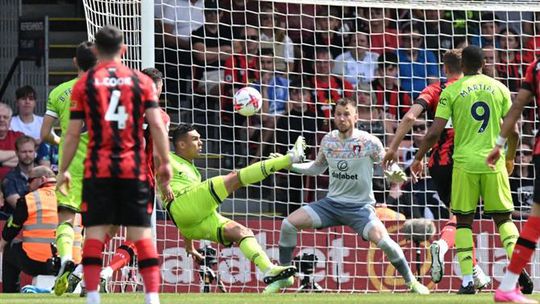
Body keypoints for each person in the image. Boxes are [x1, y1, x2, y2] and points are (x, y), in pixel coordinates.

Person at [56, 25, 172, 304]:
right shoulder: (142, 82)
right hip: (132, 168)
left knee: (95, 233)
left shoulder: (84, 84)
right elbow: (157, 125)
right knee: (142, 235)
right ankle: (152, 298)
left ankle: (93, 297)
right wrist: (165, 164)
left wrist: (63, 170)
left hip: (99, 169)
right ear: (124, 50)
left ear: (96, 51)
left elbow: (72, 133)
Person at [269, 97, 430, 295]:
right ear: (333, 117)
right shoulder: (328, 140)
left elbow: (388, 166)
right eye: (338, 114)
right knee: (288, 224)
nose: (342, 118)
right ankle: (285, 275)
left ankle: (412, 282)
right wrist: (289, 165)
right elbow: (317, 167)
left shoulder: (369, 142)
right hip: (331, 205)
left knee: (386, 242)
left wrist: (395, 174)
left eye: (346, 114)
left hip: (360, 208)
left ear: (355, 117)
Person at [410, 45, 523, 294]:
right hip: (493, 163)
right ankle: (517, 270)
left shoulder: (452, 90)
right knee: (504, 218)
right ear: (484, 63)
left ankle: (468, 281)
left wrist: (418, 158)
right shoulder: (500, 88)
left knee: (463, 221)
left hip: (461, 164)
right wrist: (510, 158)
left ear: (462, 67)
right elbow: (514, 131)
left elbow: (433, 133)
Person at [382, 49, 490, 288]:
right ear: (467, 66)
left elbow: (410, 117)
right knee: (461, 219)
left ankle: (470, 277)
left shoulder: (435, 89)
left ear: (444, 68)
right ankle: (441, 247)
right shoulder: (476, 89)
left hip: (438, 165)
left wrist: (393, 148)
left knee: (461, 218)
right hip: (466, 162)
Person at [162, 124, 306, 291]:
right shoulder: (166, 158)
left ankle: (270, 270)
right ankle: (289, 158)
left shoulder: (195, 172)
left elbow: (187, 215)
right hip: (181, 204)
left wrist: (189, 246)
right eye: (195, 139)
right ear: (181, 144)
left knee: (240, 232)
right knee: (234, 178)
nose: (201, 142)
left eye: (200, 138)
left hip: (189, 223)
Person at [40, 41, 97, 297]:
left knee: (66, 220)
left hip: (69, 165)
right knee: (94, 227)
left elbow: (44, 134)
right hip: (99, 165)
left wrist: (61, 141)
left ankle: (65, 258)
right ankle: (86, 281)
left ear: (75, 62)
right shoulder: (107, 92)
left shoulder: (60, 92)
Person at [489, 51, 540, 303]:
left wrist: (499, 143)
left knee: (535, 221)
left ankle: (508, 286)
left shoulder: (536, 65)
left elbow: (517, 106)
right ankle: (507, 286)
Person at [0, 166, 58, 292]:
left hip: (38, 263)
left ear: (42, 179)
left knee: (9, 248)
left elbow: (11, 228)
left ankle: (11, 295)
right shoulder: (71, 197)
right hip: (69, 263)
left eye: (30, 180)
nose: (27, 185)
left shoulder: (30, 199)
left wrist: (2, 243)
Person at [2, 136, 37, 211]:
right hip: (17, 220)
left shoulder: (43, 175)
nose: (27, 155)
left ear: (35, 152)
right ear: (16, 153)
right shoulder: (9, 179)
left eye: (30, 151)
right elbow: (19, 207)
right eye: (24, 152)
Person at [0, 103, 24, 181]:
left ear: (10, 121)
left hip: (17, 183)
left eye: (5, 117)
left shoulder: (19, 136)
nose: (1, 119)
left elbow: (26, 158)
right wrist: (18, 153)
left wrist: (1, 163)